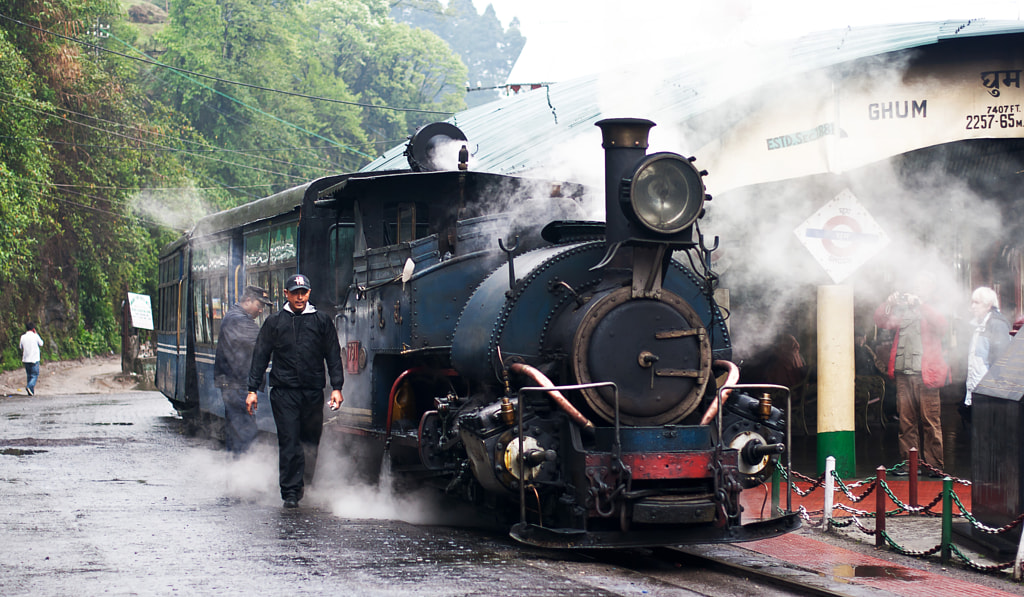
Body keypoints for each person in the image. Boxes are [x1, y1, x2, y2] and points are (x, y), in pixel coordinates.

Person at [246, 274, 344, 508]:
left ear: (309, 294)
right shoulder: (275, 322)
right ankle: (289, 492)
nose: (300, 297)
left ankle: (304, 484)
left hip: (312, 392)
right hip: (284, 392)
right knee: (289, 441)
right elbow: (260, 356)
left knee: (310, 441)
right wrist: (252, 389)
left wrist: (337, 387)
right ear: (286, 294)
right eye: (295, 293)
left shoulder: (322, 321)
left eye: (304, 293)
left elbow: (333, 355)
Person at [874, 274, 950, 476]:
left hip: (927, 375)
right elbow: (881, 321)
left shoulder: (934, 307)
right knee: (906, 422)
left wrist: (922, 304)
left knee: (930, 421)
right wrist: (888, 304)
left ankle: (935, 466)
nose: (915, 290)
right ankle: (910, 465)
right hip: (904, 374)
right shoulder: (904, 310)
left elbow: (942, 326)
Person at [214, 285, 273, 455]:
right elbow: (263, 343)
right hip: (238, 385)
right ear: (247, 301)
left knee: (236, 433)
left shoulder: (234, 316)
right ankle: (244, 475)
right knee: (245, 434)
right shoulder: (239, 320)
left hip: (233, 384)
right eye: (259, 305)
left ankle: (235, 474)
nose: (261, 310)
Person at [961, 286, 1012, 421]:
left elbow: (1001, 362)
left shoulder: (996, 325)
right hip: (978, 390)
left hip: (988, 394)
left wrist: (994, 391)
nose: (972, 307)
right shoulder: (978, 325)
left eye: (976, 303)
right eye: (972, 302)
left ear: (988, 305)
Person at [19, 322, 43, 396]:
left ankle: (31, 392)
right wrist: (36, 334)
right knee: (35, 375)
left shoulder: (23, 337)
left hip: (26, 358)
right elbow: (41, 343)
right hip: (34, 358)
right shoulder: (35, 336)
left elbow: (20, 347)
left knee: (29, 375)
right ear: (33, 329)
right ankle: (29, 386)